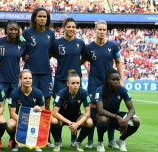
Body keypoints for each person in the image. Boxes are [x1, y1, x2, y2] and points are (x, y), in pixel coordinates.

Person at [81, 20, 124, 149]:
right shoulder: (89, 48)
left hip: (110, 84)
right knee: (93, 112)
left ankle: (111, 141)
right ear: (95, 30)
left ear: (106, 31)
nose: (101, 32)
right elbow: (81, 61)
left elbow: (118, 63)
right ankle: (90, 141)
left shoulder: (113, 46)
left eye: (104, 30)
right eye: (99, 29)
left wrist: (121, 80)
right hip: (94, 84)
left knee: (111, 110)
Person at [22, 8, 55, 147]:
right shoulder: (26, 33)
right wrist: (24, 56)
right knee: (26, 105)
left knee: (46, 105)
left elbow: (51, 52)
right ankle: (24, 137)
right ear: (34, 18)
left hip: (46, 73)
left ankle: (45, 137)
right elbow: (19, 48)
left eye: (44, 16)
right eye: (40, 16)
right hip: (30, 73)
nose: (42, 18)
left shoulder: (50, 34)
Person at [50, 17, 85, 147]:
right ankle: (57, 141)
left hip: (75, 80)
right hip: (60, 79)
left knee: (75, 109)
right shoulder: (56, 43)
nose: (71, 29)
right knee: (58, 110)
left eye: (73, 27)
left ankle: (73, 140)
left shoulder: (80, 43)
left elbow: (84, 57)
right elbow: (51, 55)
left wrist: (74, 68)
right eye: (68, 27)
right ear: (64, 28)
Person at [0, 20, 26, 148]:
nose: (13, 32)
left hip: (15, 82)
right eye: (11, 29)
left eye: (15, 29)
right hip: (0, 81)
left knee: (16, 112)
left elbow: (26, 56)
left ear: (18, 30)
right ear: (6, 30)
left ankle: (13, 139)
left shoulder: (22, 44)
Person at [95, 68, 140, 152]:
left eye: (117, 79)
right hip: (103, 117)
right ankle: (100, 142)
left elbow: (132, 109)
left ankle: (121, 140)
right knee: (103, 119)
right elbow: (100, 110)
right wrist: (117, 117)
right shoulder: (100, 90)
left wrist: (125, 120)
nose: (116, 82)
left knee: (136, 121)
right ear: (108, 80)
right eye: (113, 79)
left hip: (116, 116)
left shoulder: (122, 90)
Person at [50, 69, 93, 152]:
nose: (75, 85)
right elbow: (54, 112)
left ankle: (78, 142)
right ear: (68, 83)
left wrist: (77, 124)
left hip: (76, 117)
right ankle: (57, 143)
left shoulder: (84, 93)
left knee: (89, 122)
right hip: (62, 117)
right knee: (53, 120)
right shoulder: (61, 93)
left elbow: (88, 113)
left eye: (77, 83)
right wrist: (69, 122)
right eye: (73, 83)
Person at [7, 69, 45, 152]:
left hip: (34, 120)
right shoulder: (14, 93)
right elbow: (12, 113)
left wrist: (39, 109)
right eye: (25, 78)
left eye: (30, 78)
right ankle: (15, 142)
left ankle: (37, 143)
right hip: (19, 119)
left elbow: (43, 112)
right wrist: (24, 121)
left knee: (48, 121)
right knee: (10, 124)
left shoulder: (38, 93)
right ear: (20, 79)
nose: (28, 80)